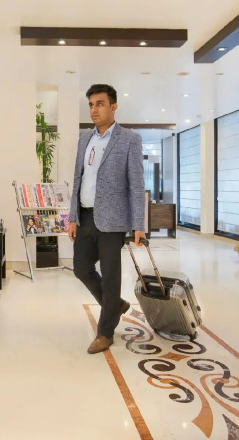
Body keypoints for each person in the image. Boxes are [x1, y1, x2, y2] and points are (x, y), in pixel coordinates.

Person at [68, 84, 146, 354]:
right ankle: (116, 306)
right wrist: (72, 217)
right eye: (91, 105)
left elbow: (136, 184)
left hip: (113, 221)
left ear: (113, 107)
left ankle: (105, 332)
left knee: (111, 278)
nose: (94, 110)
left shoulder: (129, 139)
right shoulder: (84, 139)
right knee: (81, 268)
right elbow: (77, 179)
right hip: (85, 216)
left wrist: (139, 224)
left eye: (99, 104)